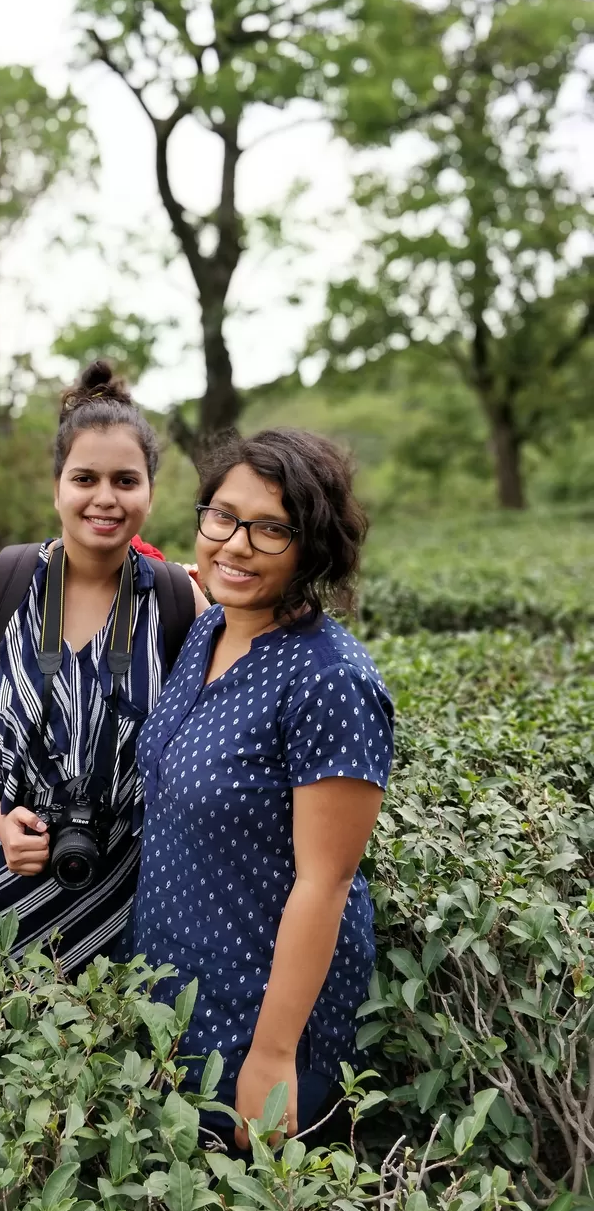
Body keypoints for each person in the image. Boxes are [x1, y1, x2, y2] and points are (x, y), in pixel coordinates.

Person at [132, 428, 395, 1149]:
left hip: (261, 1022)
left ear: (312, 545)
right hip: (170, 990)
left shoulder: (330, 680)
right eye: (223, 517)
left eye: (271, 529)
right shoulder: (210, 628)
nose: (237, 543)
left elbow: (326, 882)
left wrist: (273, 1054)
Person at [0, 361, 208, 972]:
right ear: (57, 487)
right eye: (85, 478)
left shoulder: (180, 601)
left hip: (132, 895)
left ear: (150, 494)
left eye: (126, 481)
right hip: (3, 878)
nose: (105, 498)